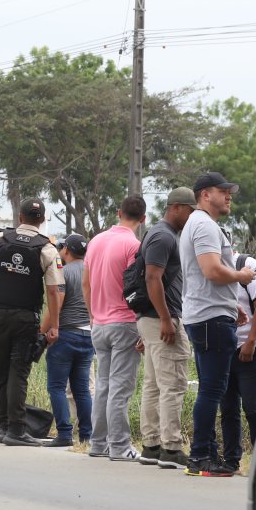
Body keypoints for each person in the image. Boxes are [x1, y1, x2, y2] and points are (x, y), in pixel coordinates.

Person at [179, 172, 256, 477]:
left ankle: (204, 452)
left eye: (230, 192)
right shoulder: (205, 225)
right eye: (222, 191)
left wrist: (231, 303)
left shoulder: (199, 225)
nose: (228, 196)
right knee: (212, 390)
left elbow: (204, 275)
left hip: (208, 313)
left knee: (211, 388)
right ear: (204, 194)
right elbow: (212, 270)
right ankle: (200, 455)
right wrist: (241, 277)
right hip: (210, 317)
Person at [0, 198, 63, 447]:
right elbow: (54, 291)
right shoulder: (48, 248)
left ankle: (3, 428)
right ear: (42, 220)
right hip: (25, 318)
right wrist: (54, 325)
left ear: (20, 217)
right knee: (18, 373)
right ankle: (16, 430)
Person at [135, 187, 195, 470]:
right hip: (161, 319)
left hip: (152, 319)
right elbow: (152, 277)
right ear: (177, 208)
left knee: (154, 384)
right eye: (190, 210)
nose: (192, 216)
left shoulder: (158, 233)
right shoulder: (163, 235)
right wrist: (165, 318)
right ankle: (170, 449)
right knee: (172, 385)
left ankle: (151, 446)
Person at [82, 195, 145, 462]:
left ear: (118, 213)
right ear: (143, 219)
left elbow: (86, 283)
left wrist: (93, 314)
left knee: (104, 386)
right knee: (120, 387)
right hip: (125, 322)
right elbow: (136, 287)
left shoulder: (95, 241)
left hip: (99, 323)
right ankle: (119, 446)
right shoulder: (134, 245)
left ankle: (97, 442)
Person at [220, 251, 256, 473]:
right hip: (223, 350)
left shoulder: (247, 265)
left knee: (253, 409)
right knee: (228, 408)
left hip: (251, 349)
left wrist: (250, 342)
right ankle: (231, 461)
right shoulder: (210, 268)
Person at [45, 233, 93, 448]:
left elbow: (58, 301)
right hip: (88, 334)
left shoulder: (63, 271)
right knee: (81, 389)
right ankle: (86, 435)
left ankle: (64, 433)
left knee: (56, 386)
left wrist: (46, 329)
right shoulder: (93, 271)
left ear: (66, 250)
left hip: (66, 334)